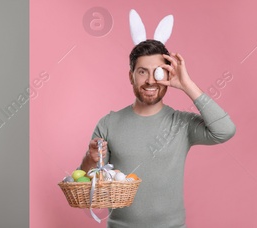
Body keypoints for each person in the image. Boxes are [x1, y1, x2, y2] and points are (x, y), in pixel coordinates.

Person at [76, 36, 235, 227]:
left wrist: (187, 85)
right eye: (142, 72)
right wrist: (90, 158)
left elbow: (225, 130)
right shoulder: (109, 123)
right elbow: (85, 184)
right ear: (131, 76)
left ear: (168, 76)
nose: (150, 81)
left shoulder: (182, 123)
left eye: (158, 72)